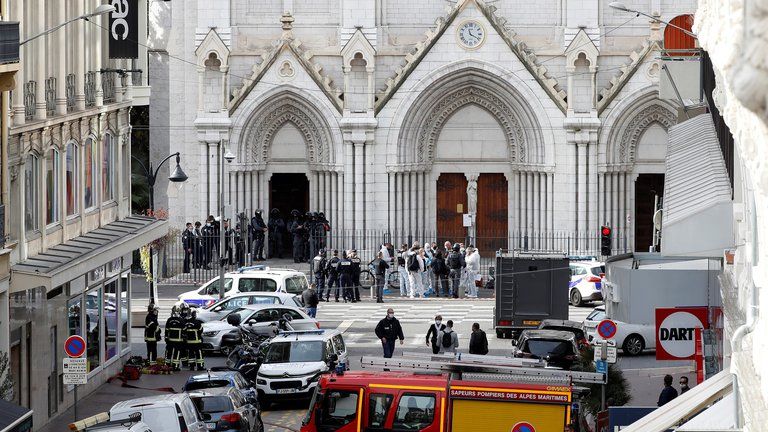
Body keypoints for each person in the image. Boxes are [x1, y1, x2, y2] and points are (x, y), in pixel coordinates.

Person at [164, 304, 185, 370]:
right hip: (178, 341)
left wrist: (166, 338)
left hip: (170, 341)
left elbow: (166, 330)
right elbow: (184, 330)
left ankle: (167, 365)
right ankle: (175, 366)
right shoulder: (181, 320)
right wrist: (184, 338)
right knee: (177, 353)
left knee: (168, 353)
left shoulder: (169, 320)